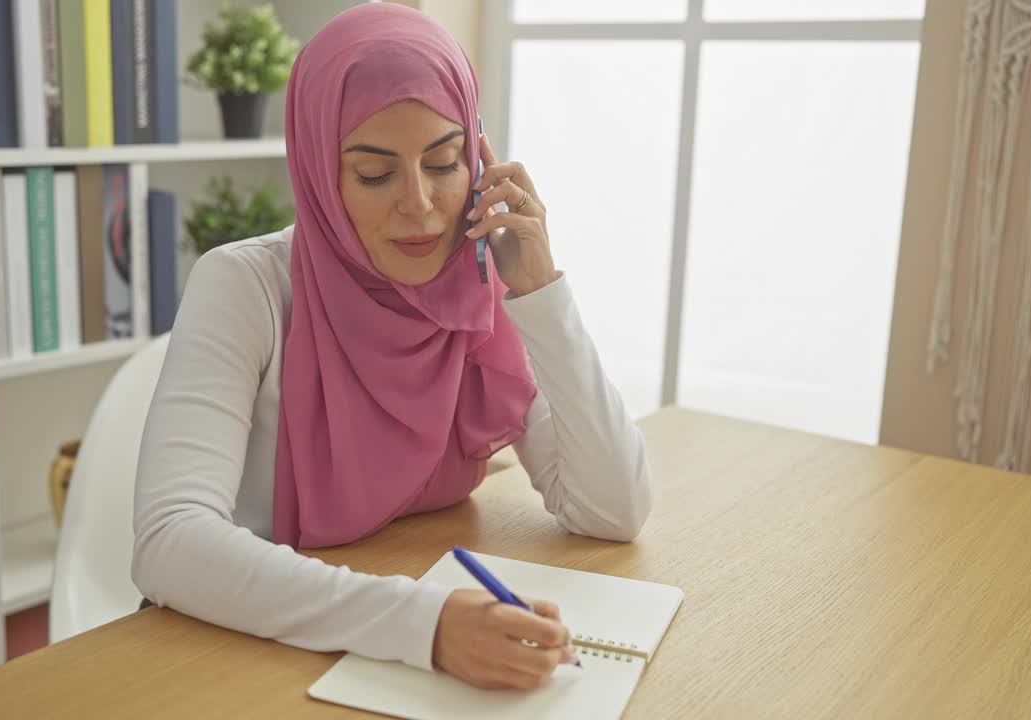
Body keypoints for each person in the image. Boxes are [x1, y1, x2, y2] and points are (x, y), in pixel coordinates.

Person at [131, 3, 651, 690]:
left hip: (379, 646)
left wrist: (540, 293)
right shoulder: (245, 285)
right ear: (319, 174)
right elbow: (169, 542)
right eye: (375, 175)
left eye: (444, 162)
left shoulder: (478, 285)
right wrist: (424, 627)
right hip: (240, 653)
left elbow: (613, 511)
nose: (422, 204)